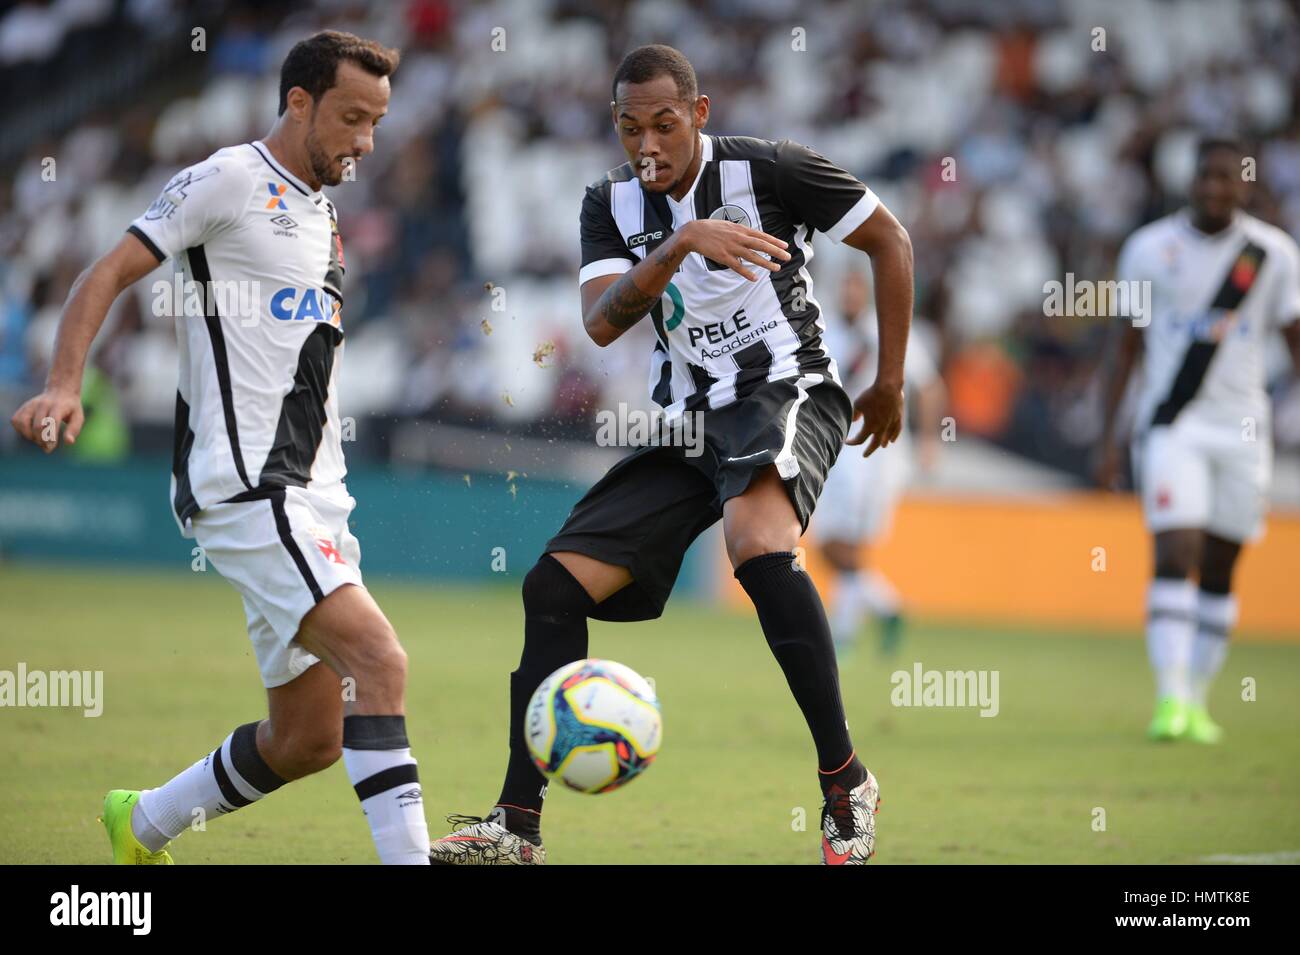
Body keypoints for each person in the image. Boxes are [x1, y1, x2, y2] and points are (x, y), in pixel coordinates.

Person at [430, 44, 914, 866]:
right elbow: (602, 321)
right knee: (552, 586)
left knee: (757, 546)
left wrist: (892, 381)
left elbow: (891, 241)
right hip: (693, 421)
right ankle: (515, 825)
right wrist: (683, 243)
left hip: (786, 388)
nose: (646, 144)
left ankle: (845, 783)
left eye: (663, 123)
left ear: (699, 113)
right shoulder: (609, 205)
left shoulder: (774, 170)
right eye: (629, 127)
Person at [11, 30, 433, 864]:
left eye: (377, 123)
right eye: (352, 117)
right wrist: (64, 383)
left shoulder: (322, 212)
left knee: (307, 736)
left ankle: (140, 824)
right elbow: (105, 273)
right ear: (299, 102)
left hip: (313, 492)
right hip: (250, 486)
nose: (365, 141)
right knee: (379, 660)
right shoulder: (229, 178)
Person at [1098, 137, 1300, 743]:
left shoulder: (1273, 255)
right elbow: (1126, 345)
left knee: (1220, 565)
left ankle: (1198, 700)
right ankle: (1169, 699)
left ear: (1246, 186)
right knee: (1174, 552)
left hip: (1243, 428)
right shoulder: (1149, 248)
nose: (1215, 187)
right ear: (1190, 179)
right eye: (1205, 176)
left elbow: (1294, 342)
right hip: (1171, 423)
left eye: (1227, 179)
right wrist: (1111, 433)